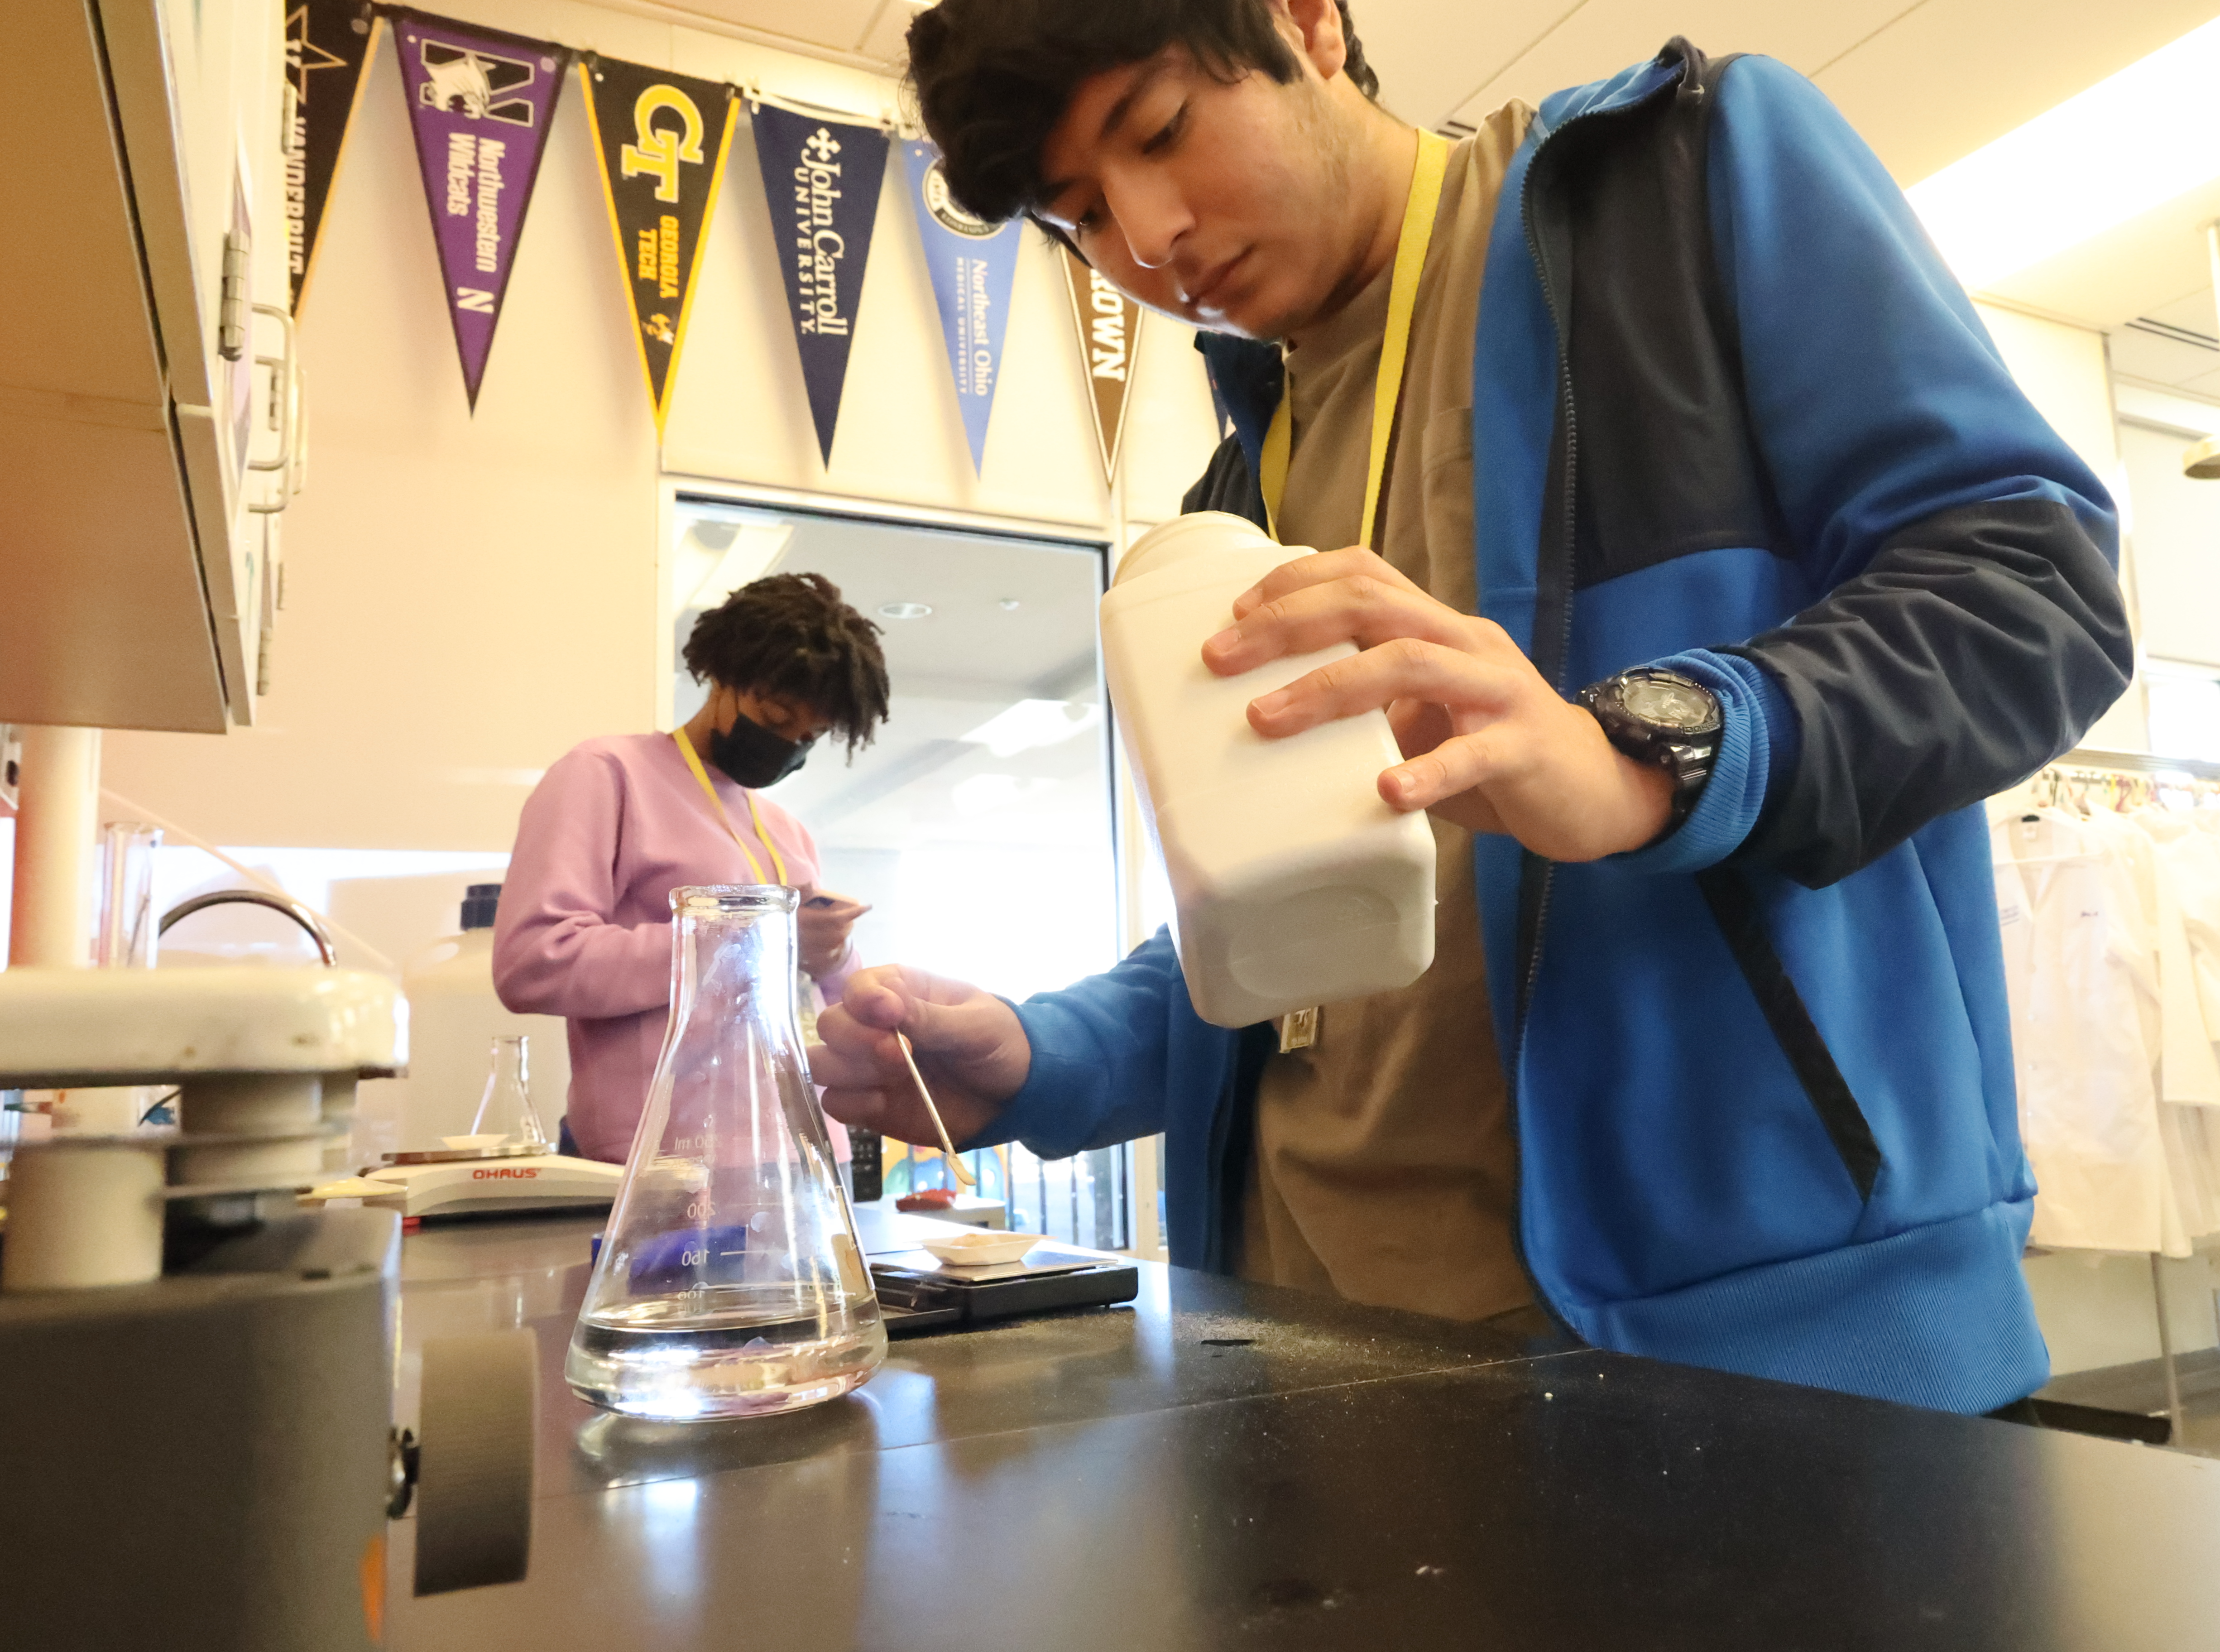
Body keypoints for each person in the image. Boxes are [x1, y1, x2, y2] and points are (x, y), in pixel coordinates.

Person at [810, 0, 2132, 1414]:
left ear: (1306, 25)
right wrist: (1041, 1057)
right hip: (1302, 1342)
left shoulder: (1677, 175)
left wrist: (1654, 752)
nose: (1149, 236)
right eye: (1080, 214)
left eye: (1160, 130)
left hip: (1744, 1348)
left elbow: (2032, 583)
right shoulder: (1236, 497)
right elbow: (1299, 917)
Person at [497, 572, 892, 1162]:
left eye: (811, 735)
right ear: (724, 675)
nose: (790, 744)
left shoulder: (786, 830)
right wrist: (754, 938)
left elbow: (825, 997)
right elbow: (534, 962)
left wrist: (835, 959)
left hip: (799, 1155)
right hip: (662, 1164)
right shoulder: (607, 774)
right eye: (777, 716)